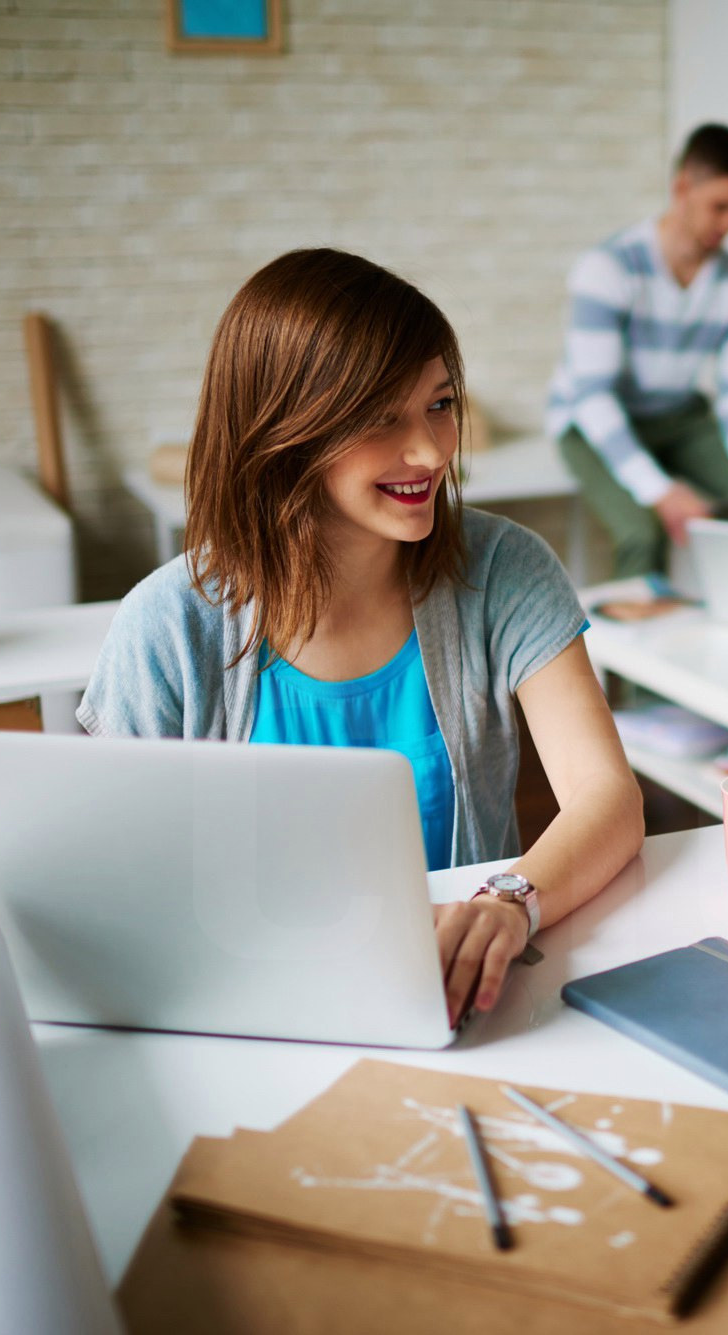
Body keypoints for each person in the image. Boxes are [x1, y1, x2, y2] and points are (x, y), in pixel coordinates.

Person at [80, 248, 644, 1024]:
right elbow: (115, 878)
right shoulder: (167, 623)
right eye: (382, 418)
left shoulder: (505, 568)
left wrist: (509, 903)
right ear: (286, 430)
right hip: (248, 1006)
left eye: (440, 404)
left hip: (455, 1000)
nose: (429, 451)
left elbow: (606, 795)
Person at [548, 123, 728, 578]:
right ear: (682, 187)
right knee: (642, 533)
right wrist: (660, 491)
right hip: (590, 422)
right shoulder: (607, 269)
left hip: (678, 417)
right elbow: (593, 399)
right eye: (720, 207)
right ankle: (630, 646)